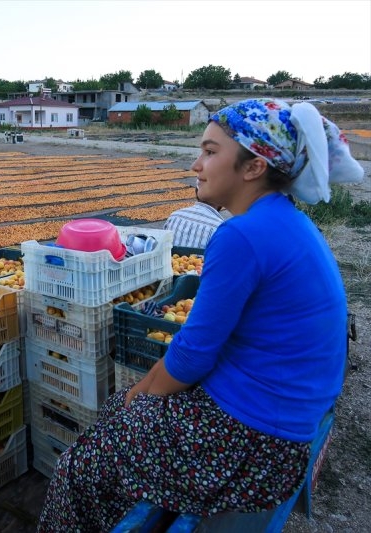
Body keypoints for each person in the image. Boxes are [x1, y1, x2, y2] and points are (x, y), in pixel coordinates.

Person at [38, 98, 365, 532]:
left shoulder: (242, 235)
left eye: (211, 152)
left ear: (253, 168)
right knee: (123, 415)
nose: (196, 164)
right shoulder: (287, 221)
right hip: (282, 428)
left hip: (254, 446)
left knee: (79, 465)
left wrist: (137, 400)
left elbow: (191, 357)